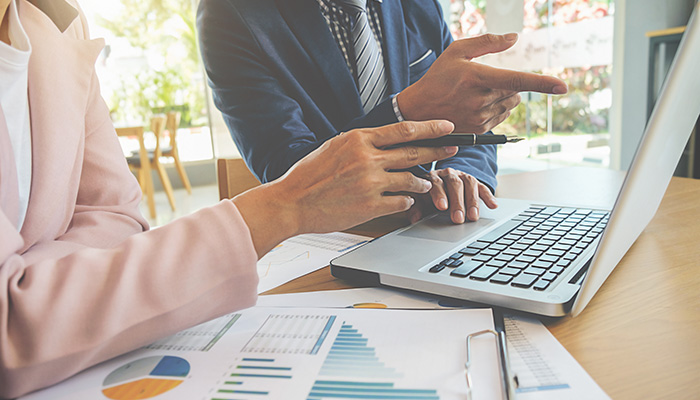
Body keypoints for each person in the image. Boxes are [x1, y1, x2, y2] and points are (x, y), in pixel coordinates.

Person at [0, 0, 460, 397]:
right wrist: (282, 206)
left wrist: (39, 279)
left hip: (414, 242)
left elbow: (116, 219)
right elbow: (11, 326)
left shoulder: (56, 23)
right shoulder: (233, 14)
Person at [197, 0, 568, 225]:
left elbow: (465, 121)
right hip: (329, 248)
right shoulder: (231, 15)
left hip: (434, 229)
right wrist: (406, 111)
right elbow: (284, 167)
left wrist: (464, 177)